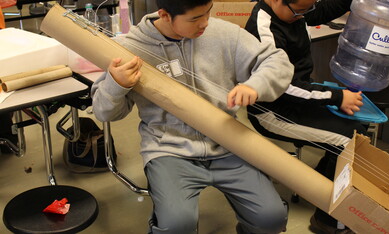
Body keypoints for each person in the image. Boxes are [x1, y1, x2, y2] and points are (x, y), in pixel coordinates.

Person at [91, 0, 294, 233]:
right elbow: (104, 111)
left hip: (227, 143)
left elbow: (276, 61)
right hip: (169, 149)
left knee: (271, 218)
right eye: (195, 19)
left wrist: (255, 85)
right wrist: (116, 84)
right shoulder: (129, 48)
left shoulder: (223, 33)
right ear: (165, 15)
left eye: (208, 12)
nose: (205, 23)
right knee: (177, 225)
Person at [245, 0, 367, 233]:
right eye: (299, 11)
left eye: (308, 9)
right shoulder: (263, 29)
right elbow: (280, 86)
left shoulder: (293, 12)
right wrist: (336, 97)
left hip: (300, 98)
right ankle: (329, 221)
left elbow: (322, 11)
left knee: (356, 131)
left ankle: (317, 186)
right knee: (350, 142)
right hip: (273, 111)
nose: (304, 16)